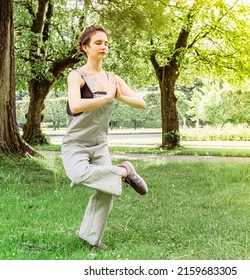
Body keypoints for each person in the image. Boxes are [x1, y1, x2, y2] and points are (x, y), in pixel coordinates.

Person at [61, 25, 148, 249]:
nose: (104, 47)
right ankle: (123, 171)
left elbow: (141, 102)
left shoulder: (112, 79)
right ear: (85, 47)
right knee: (79, 175)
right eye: (98, 43)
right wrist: (106, 96)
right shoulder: (76, 76)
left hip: (100, 145)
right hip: (76, 144)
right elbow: (76, 104)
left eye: (106, 43)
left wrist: (118, 95)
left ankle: (90, 238)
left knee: (106, 192)